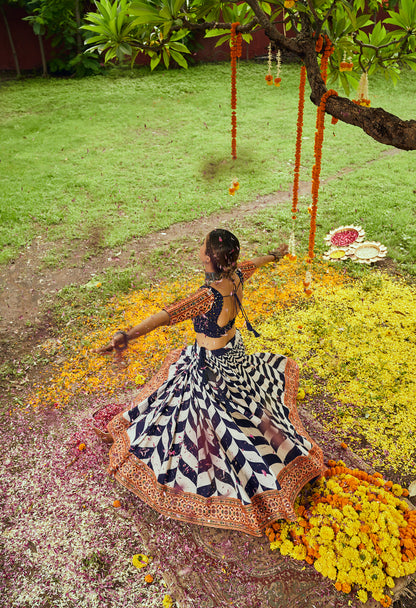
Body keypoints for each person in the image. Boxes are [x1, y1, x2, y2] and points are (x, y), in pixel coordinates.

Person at [97, 229, 324, 537]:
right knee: (193, 391)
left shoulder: (207, 297)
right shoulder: (239, 274)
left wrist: (125, 336)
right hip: (233, 352)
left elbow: (165, 316)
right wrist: (275, 255)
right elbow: (257, 262)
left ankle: (235, 468)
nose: (199, 246)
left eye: (201, 244)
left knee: (192, 410)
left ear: (207, 257)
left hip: (211, 366)